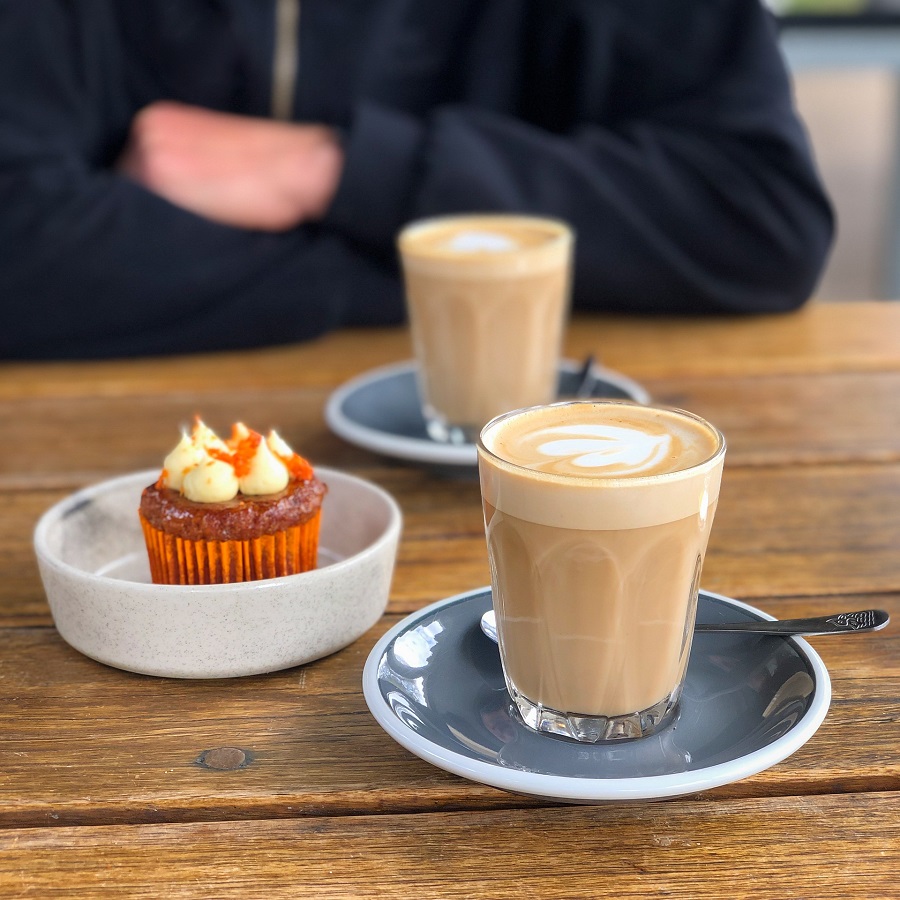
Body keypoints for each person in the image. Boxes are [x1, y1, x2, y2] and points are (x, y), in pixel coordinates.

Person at [0, 0, 834, 360]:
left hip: (523, 443)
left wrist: (334, 170)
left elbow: (757, 219)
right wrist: (460, 267)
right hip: (103, 467)